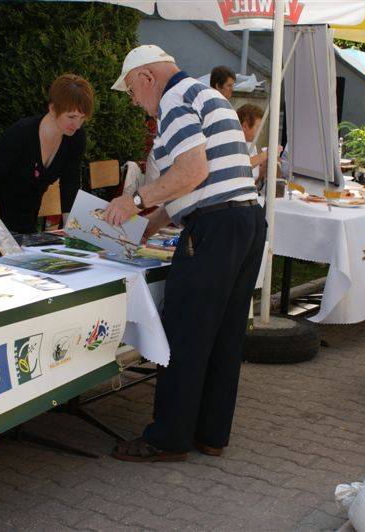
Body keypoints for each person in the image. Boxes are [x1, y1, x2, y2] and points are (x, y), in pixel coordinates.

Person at [104, 45, 265, 461]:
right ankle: (211, 434)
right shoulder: (209, 96)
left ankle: (168, 438)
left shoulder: (174, 100)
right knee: (225, 335)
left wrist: (134, 201)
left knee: (185, 332)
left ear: (147, 78)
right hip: (245, 220)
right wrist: (150, 224)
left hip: (215, 227)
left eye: (132, 92)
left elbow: (192, 171)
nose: (135, 102)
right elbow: (193, 184)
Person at [0, 74, 93, 233]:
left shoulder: (75, 139)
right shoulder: (21, 133)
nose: (77, 125)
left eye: (82, 118)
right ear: (53, 109)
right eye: (71, 117)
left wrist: (72, 232)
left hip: (25, 223)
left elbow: (70, 185)